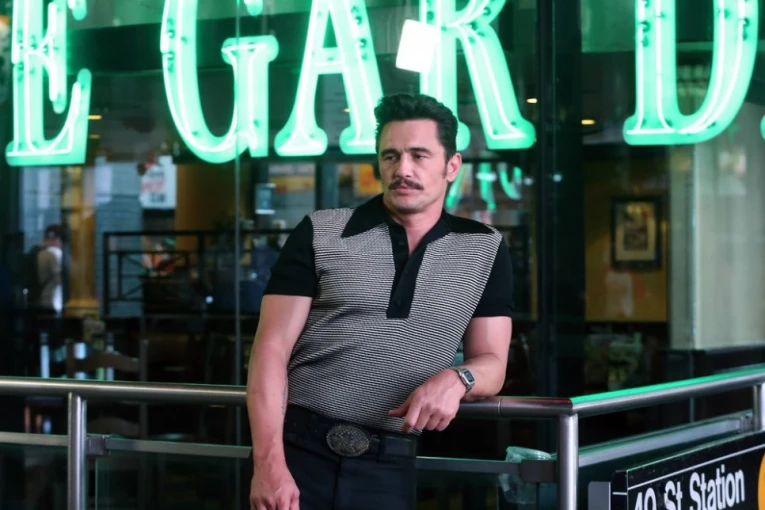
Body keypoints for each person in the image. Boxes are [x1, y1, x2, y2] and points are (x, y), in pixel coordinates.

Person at [246, 93, 514, 510]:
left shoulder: (485, 248)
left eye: (419, 156)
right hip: (296, 452)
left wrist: (459, 378)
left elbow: (493, 364)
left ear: (451, 166)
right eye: (391, 156)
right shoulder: (320, 231)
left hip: (390, 462)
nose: (402, 169)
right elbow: (270, 349)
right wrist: (268, 464)